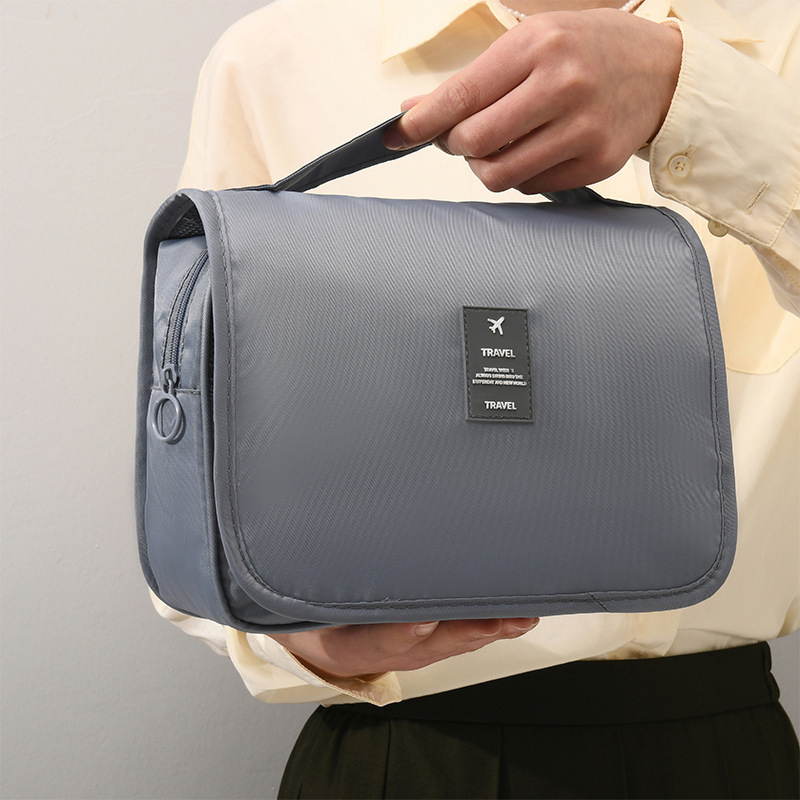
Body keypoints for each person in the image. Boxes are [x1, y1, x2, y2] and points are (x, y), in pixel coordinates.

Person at [152, 0, 800, 795]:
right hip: (401, 758)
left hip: (727, 753)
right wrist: (298, 637)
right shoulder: (279, 57)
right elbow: (192, 466)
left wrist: (688, 96)